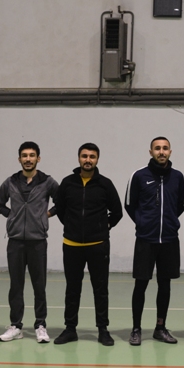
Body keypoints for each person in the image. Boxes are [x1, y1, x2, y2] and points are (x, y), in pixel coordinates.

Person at [53, 143, 123, 345]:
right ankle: (70, 329)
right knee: (72, 289)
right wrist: (71, 226)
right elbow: (60, 209)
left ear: (97, 159)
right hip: (72, 244)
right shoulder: (68, 183)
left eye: (92, 156)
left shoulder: (105, 184)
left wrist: (103, 226)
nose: (88, 160)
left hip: (98, 245)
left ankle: (103, 329)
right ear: (79, 158)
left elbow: (117, 212)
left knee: (100, 289)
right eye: (84, 156)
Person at [0, 142, 58, 343]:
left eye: (32, 155)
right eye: (24, 155)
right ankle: (15, 326)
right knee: (16, 285)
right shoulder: (10, 182)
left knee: (39, 285)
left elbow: (62, 201)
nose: (28, 159)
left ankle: (40, 325)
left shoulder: (47, 182)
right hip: (15, 242)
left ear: (38, 158)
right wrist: (12, 215)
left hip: (38, 241)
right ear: (19, 159)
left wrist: (46, 215)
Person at [125, 137, 184, 345]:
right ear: (150, 152)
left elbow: (180, 204)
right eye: (157, 148)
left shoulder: (178, 177)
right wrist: (144, 223)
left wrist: (168, 222)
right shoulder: (139, 176)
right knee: (140, 284)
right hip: (146, 240)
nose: (161, 152)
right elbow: (129, 204)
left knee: (165, 285)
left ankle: (160, 327)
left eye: (165, 148)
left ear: (170, 152)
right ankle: (136, 329)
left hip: (169, 240)